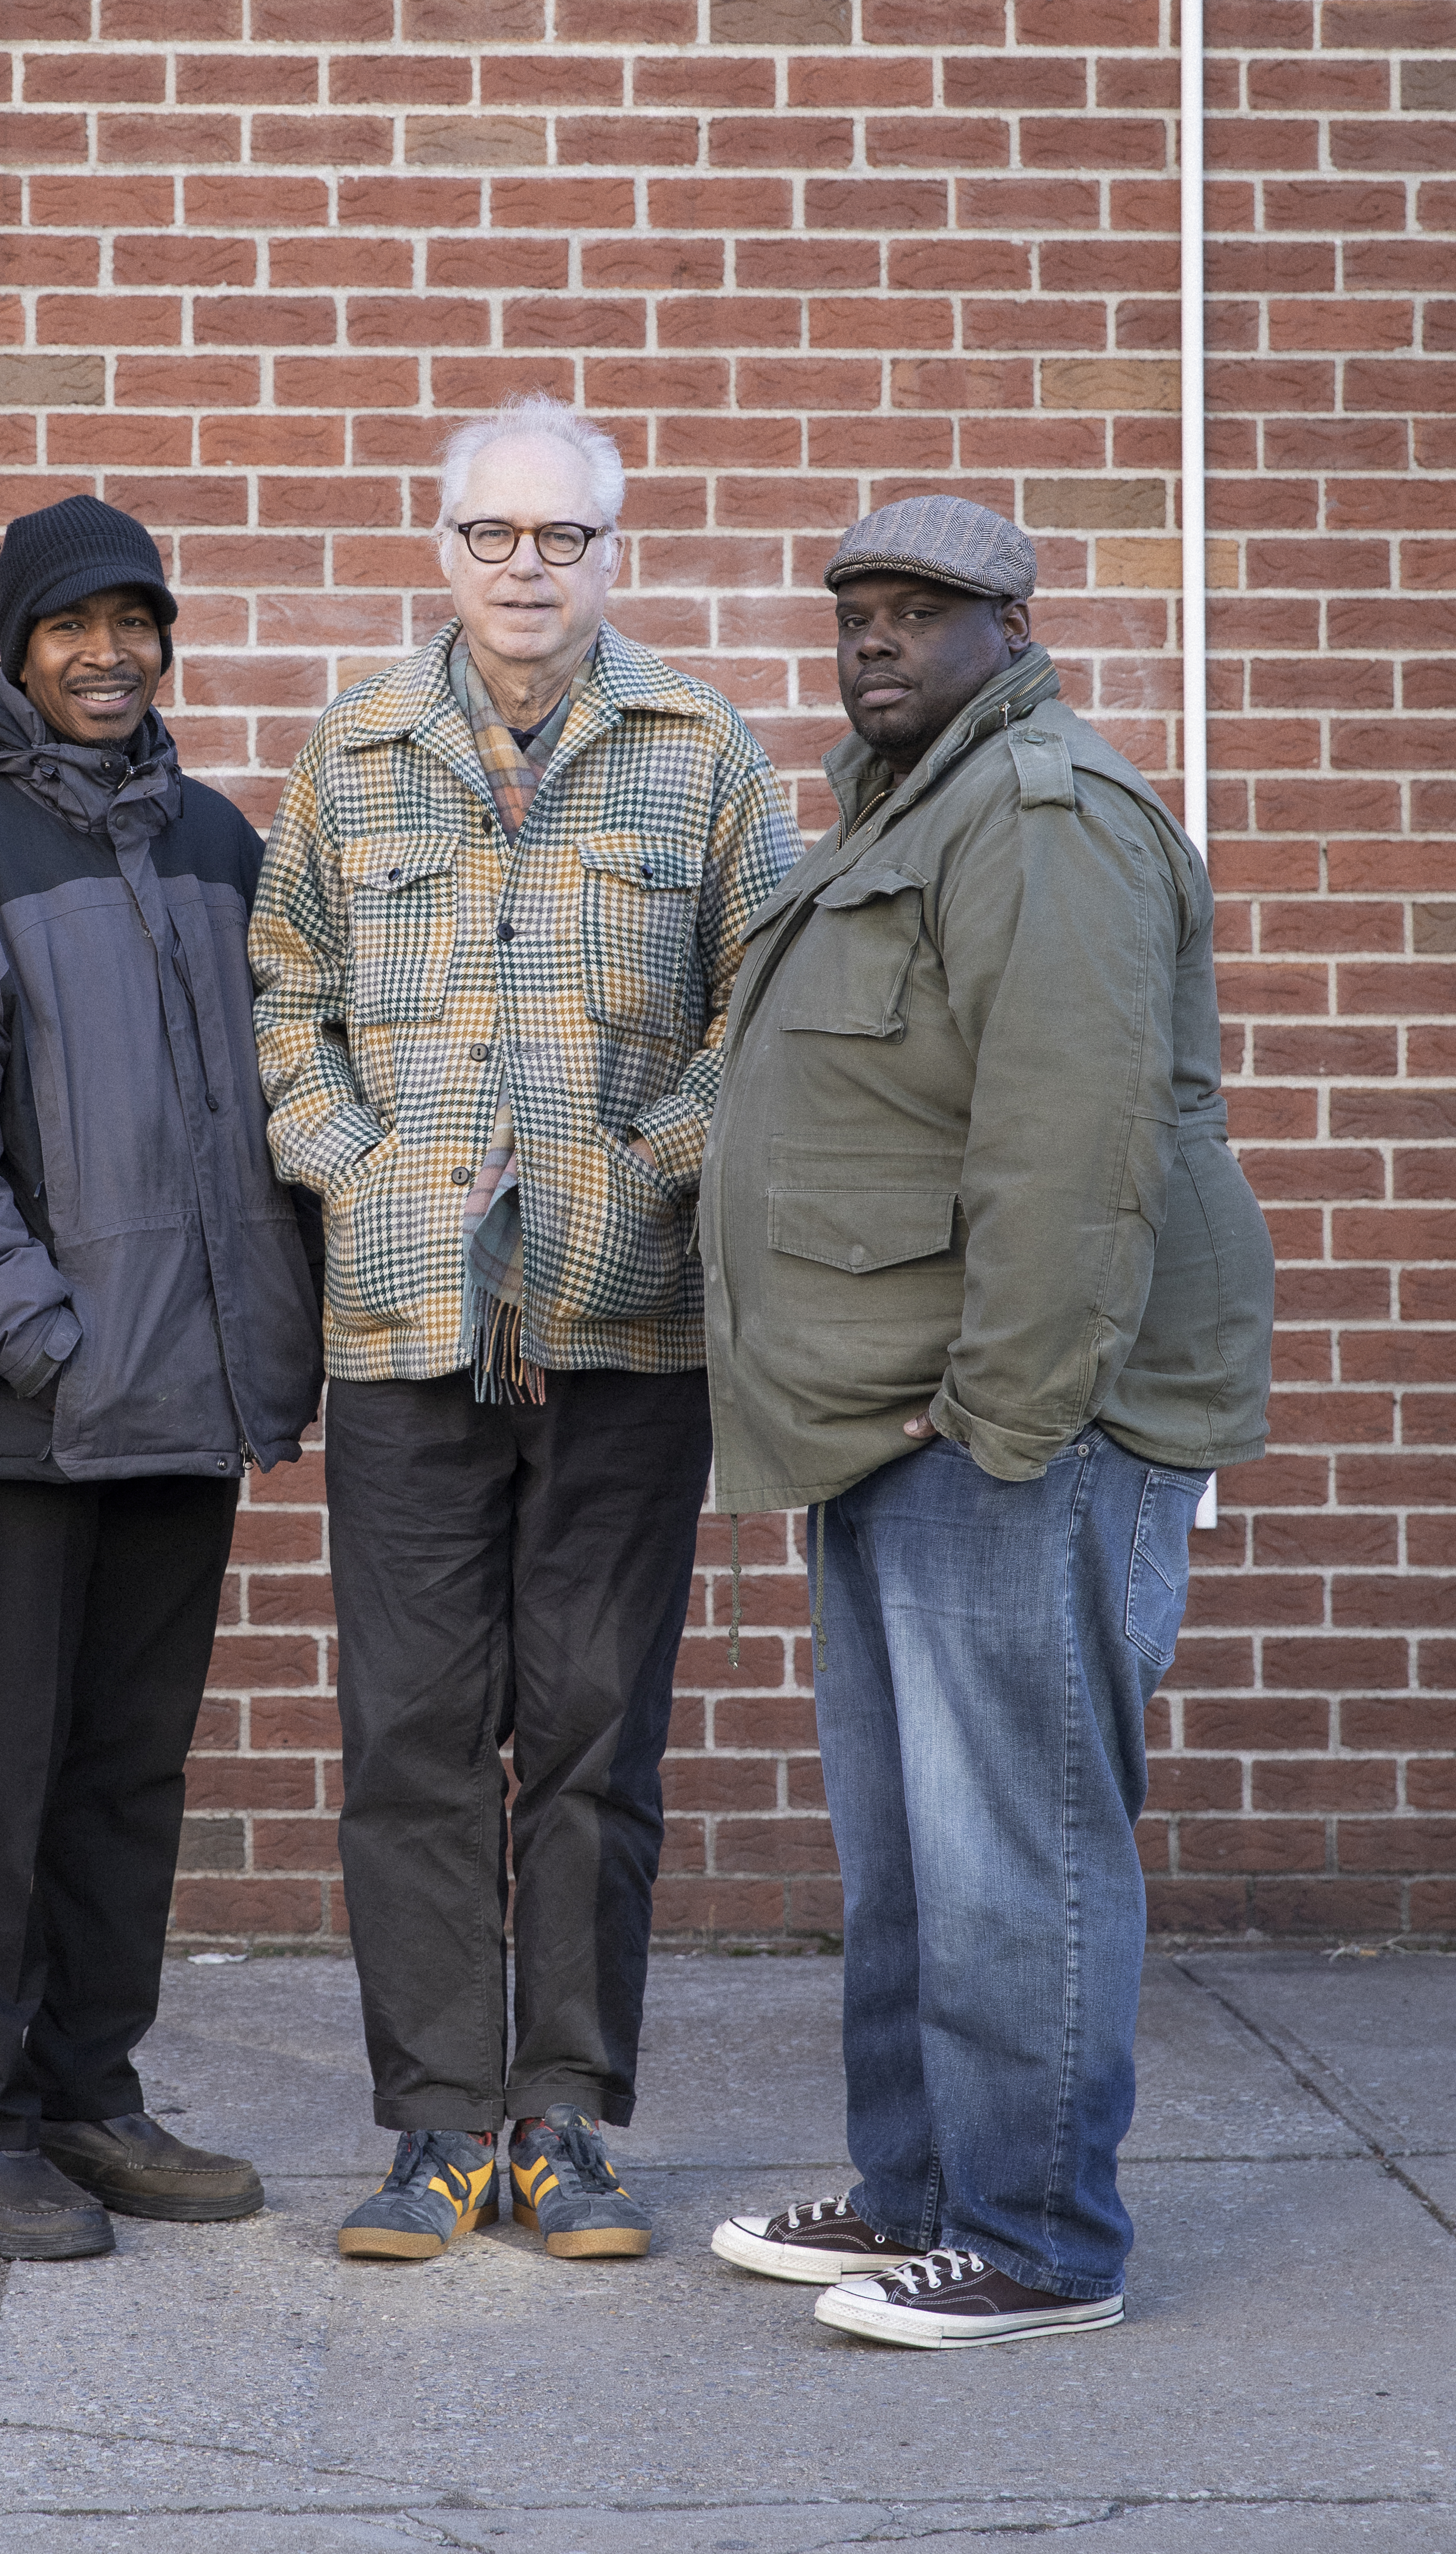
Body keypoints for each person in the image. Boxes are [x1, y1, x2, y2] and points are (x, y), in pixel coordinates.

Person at [700, 493, 1274, 2347]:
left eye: (922, 610)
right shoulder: (909, 804)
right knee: (914, 1842)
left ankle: (1038, 2237)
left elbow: (1073, 1144)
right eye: (855, 605)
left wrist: (1002, 1421)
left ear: (1011, 628)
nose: (874, 636)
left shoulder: (1049, 817)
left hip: (1010, 1428)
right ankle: (921, 2194)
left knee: (1017, 1833)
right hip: (894, 1421)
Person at [249, 394, 799, 2263]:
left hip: (627, 1330)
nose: (526, 568)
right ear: (443, 546)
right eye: (494, 534)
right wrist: (368, 1169)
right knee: (410, 1730)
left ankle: (562, 2121)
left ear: (614, 554)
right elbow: (283, 999)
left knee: (590, 1730)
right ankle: (429, 2130)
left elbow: (766, 1020)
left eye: (563, 538)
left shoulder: (704, 754)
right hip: (405, 1327)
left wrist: (645, 1172)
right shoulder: (349, 751)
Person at [0, 493, 323, 2262]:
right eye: (71, 627)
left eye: (136, 622)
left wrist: (275, 1326)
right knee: (6, 1770)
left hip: (188, 1397)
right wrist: (45, 1340)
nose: (108, 654)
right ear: (16, 647)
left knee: (129, 1769)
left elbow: (276, 1101)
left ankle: (95, 2096)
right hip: (26, 1402)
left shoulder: (214, 839)